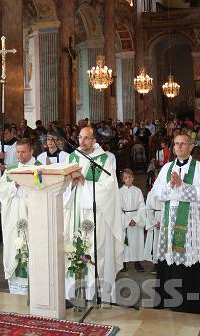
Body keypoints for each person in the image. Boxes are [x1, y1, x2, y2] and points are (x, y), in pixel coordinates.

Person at [147, 133, 200, 314]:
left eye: (183, 144)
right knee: (171, 258)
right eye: (176, 144)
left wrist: (183, 187)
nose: (179, 147)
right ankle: (169, 299)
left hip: (193, 227)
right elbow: (155, 192)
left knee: (192, 261)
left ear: (191, 146)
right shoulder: (167, 168)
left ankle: (192, 303)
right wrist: (171, 186)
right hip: (171, 226)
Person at [64, 126, 123, 303]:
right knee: (73, 248)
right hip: (75, 210)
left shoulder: (104, 160)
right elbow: (62, 183)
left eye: (86, 138)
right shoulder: (72, 157)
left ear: (94, 140)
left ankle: (96, 293)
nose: (82, 141)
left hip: (96, 213)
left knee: (96, 250)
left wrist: (85, 182)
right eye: (80, 137)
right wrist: (70, 182)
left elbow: (109, 188)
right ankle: (73, 292)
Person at [0, 139, 40, 295]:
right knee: (14, 245)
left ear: (31, 152)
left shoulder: (39, 168)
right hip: (13, 217)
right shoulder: (12, 169)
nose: (20, 155)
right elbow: (0, 188)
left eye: (23, 152)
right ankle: (16, 287)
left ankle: (35, 286)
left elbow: (42, 189)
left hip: (32, 215)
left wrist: (27, 185)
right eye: (18, 152)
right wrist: (14, 185)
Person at [0, 126, 18, 242]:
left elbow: (21, 163)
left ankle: (10, 232)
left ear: (12, 133)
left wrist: (7, 166)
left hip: (10, 179)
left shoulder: (17, 146)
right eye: (3, 134)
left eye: (6, 133)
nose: (4, 136)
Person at [118, 169, 145, 273]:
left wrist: (136, 219)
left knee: (137, 241)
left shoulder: (137, 191)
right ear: (122, 180)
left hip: (136, 217)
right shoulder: (119, 192)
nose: (128, 179)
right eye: (125, 178)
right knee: (125, 242)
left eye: (130, 177)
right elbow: (118, 209)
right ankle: (123, 263)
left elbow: (142, 206)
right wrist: (127, 221)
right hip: (124, 218)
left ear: (133, 178)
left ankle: (137, 262)